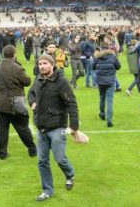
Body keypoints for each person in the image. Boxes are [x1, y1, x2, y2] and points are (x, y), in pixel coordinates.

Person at [28, 54, 79, 202]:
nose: (41, 66)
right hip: (41, 126)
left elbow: (72, 103)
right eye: (39, 64)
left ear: (52, 65)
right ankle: (47, 190)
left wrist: (74, 126)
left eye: (44, 64)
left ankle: (70, 174)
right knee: (42, 161)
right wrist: (32, 102)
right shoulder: (38, 79)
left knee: (59, 158)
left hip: (57, 126)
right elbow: (30, 92)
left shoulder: (61, 82)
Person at [0, 44, 37, 160]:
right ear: (14, 54)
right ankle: (32, 149)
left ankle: (2, 153)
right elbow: (27, 81)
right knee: (22, 127)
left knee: (2, 128)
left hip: (0, 103)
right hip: (15, 103)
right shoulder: (17, 68)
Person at [92, 41, 121, 127]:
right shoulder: (113, 56)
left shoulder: (97, 57)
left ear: (100, 48)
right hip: (110, 81)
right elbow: (118, 66)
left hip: (100, 81)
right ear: (108, 48)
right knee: (110, 100)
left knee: (102, 97)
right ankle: (109, 120)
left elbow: (93, 67)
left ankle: (102, 113)